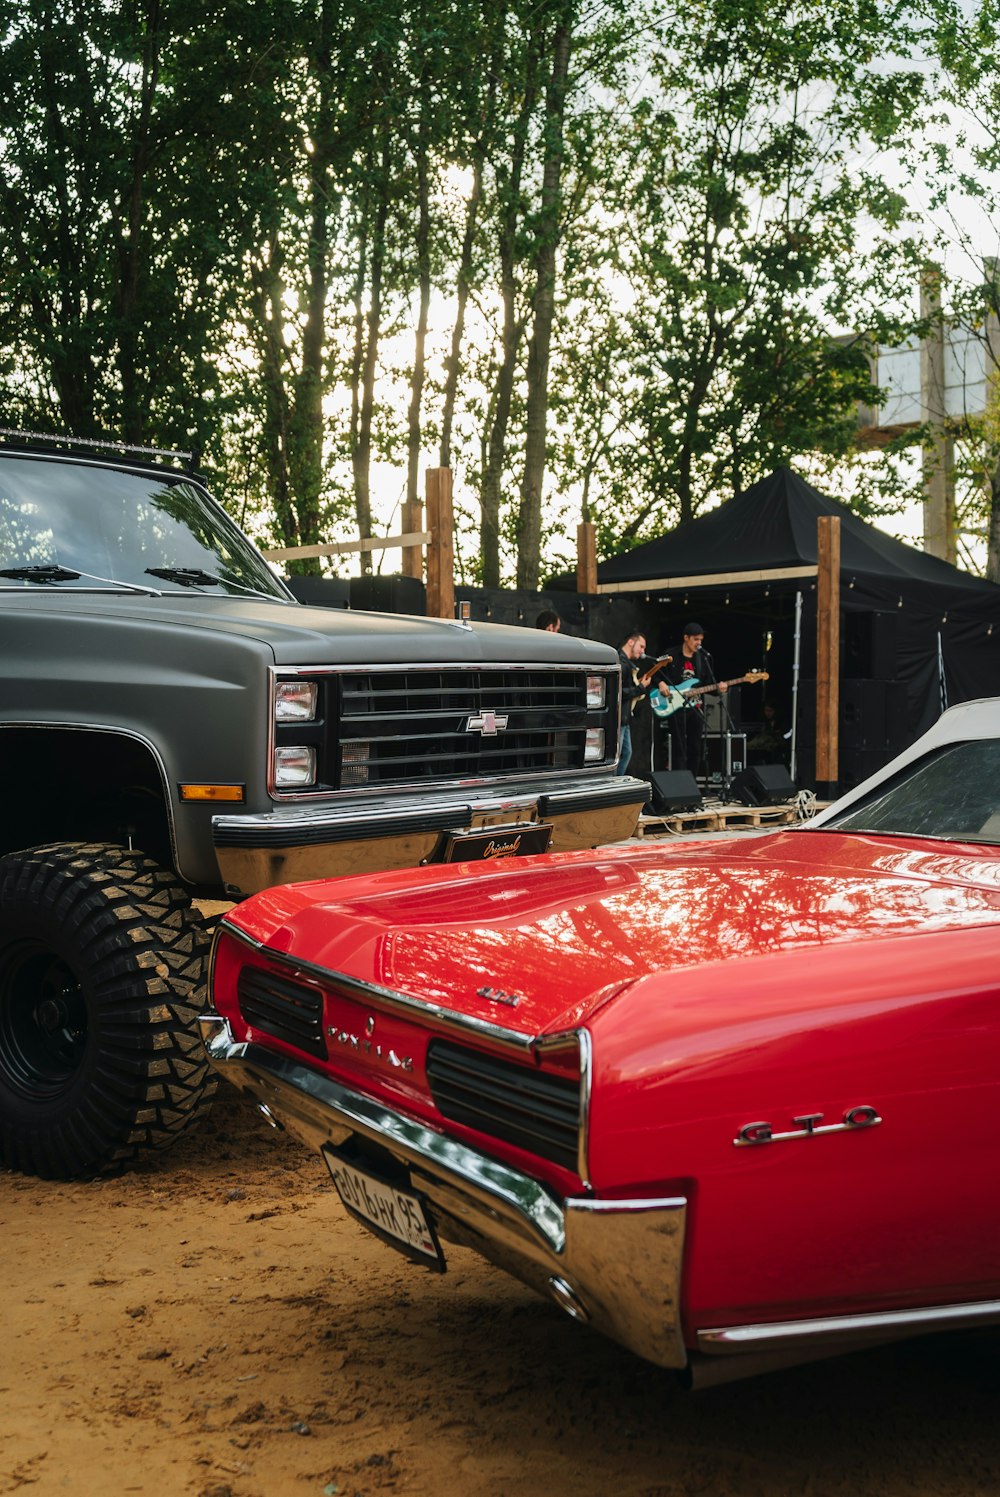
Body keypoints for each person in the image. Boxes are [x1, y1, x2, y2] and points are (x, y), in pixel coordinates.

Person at [661, 622, 727, 776]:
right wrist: (661, 682)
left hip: (696, 708)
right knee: (679, 747)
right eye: (696, 639)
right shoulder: (671, 654)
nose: (699, 643)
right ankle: (680, 785)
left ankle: (692, 785)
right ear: (686, 638)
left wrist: (719, 689)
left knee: (696, 748)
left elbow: (708, 684)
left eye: (701, 640)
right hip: (676, 707)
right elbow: (655, 670)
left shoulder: (703, 659)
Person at [616, 631, 671, 775]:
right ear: (630, 642)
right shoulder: (621, 662)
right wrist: (641, 688)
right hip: (620, 716)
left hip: (626, 716)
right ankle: (612, 784)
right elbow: (619, 692)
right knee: (618, 754)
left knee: (626, 753)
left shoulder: (628, 663)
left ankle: (616, 782)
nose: (642, 651)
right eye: (641, 646)